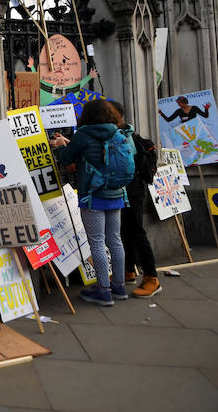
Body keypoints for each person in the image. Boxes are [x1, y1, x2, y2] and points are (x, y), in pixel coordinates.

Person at [50, 99, 129, 306]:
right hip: (116, 193)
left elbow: (67, 159)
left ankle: (103, 291)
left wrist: (59, 146)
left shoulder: (84, 134)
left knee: (96, 242)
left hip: (93, 196)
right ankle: (119, 286)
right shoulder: (117, 133)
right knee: (115, 240)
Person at [112, 101, 162, 298]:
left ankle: (152, 278)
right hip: (129, 190)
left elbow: (127, 169)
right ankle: (129, 271)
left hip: (132, 191)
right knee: (125, 230)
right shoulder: (125, 134)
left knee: (136, 231)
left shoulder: (125, 138)